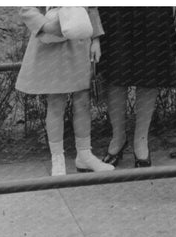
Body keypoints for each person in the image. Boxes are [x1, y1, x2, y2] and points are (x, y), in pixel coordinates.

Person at [15, 7, 114, 176]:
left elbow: (91, 8)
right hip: (52, 44)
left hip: (80, 42)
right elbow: (27, 8)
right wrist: (45, 26)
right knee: (55, 102)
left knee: (83, 101)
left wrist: (96, 40)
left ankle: (84, 154)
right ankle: (57, 157)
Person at [98, 7, 176, 167]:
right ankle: (118, 138)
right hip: (115, 12)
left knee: (150, 70)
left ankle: (141, 140)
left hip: (152, 11)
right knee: (116, 70)